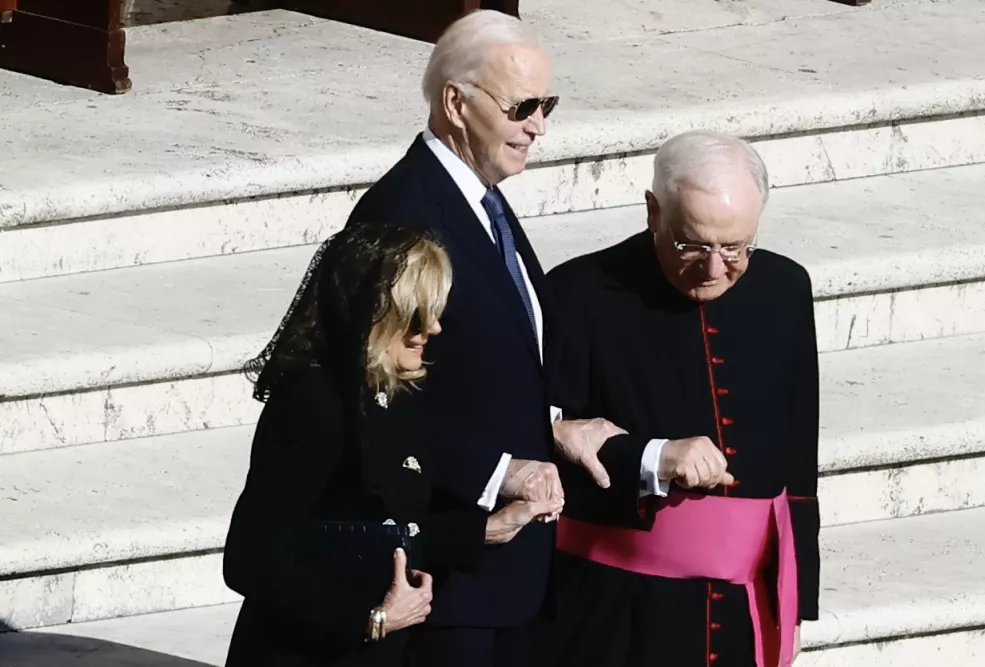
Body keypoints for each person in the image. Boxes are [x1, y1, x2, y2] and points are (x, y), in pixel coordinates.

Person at [344, 10, 625, 667]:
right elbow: (372, 404)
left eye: (547, 104)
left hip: (512, 582)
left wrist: (552, 427)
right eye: (523, 105)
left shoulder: (483, 203)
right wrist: (499, 470)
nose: (540, 125)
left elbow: (492, 367)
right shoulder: (402, 214)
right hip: (448, 588)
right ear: (455, 102)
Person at [538, 131, 821, 667]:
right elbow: (536, 439)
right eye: (692, 244)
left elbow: (799, 462)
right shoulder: (579, 293)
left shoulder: (785, 288)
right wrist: (651, 457)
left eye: (736, 248)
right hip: (617, 609)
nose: (715, 269)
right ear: (653, 211)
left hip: (745, 612)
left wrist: (796, 603)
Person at [222, 223, 561, 667]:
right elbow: (251, 557)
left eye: (436, 311)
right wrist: (370, 618)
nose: (434, 328)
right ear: (375, 311)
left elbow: (386, 530)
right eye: (417, 315)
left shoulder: (390, 395)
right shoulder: (313, 402)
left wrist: (491, 528)